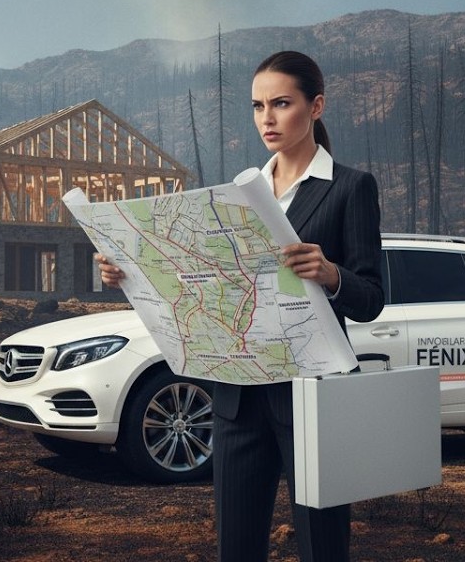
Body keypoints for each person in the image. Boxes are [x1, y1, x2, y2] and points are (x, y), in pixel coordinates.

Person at [97, 50, 384, 562]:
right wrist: (128, 272)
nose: (267, 119)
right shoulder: (237, 195)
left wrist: (332, 273)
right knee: (237, 547)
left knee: (323, 546)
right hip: (236, 397)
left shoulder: (350, 188)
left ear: (316, 107)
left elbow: (372, 299)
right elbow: (200, 279)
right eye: (257, 106)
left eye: (281, 103)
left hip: (311, 396)